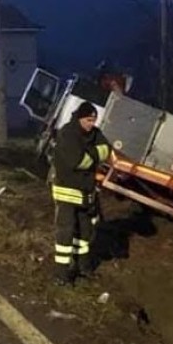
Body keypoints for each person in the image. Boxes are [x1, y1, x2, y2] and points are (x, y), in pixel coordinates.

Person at [50, 101, 112, 286]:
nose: (91, 124)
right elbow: (76, 161)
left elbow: (106, 150)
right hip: (67, 191)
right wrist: (93, 156)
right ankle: (61, 275)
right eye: (88, 120)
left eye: (93, 120)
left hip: (86, 191)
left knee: (85, 233)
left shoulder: (95, 133)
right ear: (79, 118)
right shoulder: (67, 133)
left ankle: (83, 268)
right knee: (66, 232)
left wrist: (89, 154)